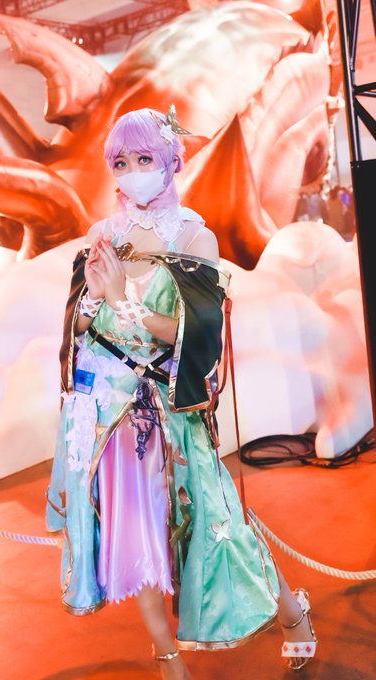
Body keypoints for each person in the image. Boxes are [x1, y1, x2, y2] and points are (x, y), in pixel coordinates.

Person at [46, 107, 317, 679]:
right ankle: (168, 658)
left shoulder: (194, 235)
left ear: (171, 162)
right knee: (133, 538)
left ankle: (292, 614)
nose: (132, 172)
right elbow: (79, 329)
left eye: (144, 158)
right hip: (111, 417)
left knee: (219, 528)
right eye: (121, 162)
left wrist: (122, 301)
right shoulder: (102, 236)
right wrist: (90, 301)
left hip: (171, 413)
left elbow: (198, 337)